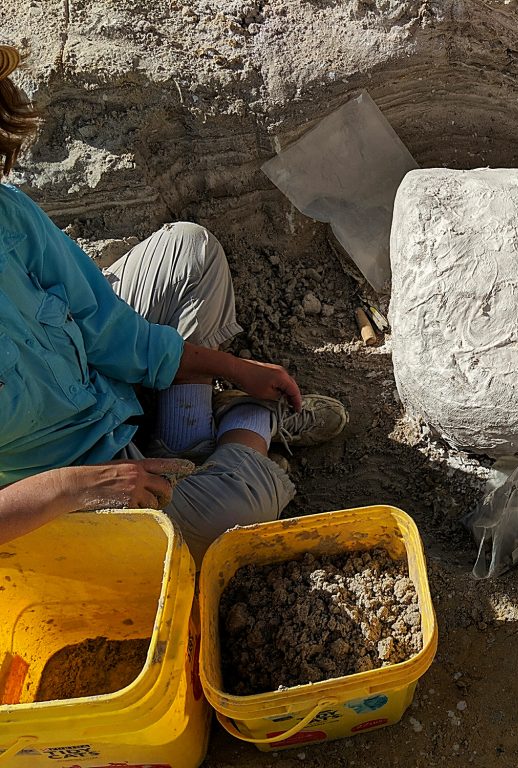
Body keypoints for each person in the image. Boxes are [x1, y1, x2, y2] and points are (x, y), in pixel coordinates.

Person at [0, 44, 347, 561]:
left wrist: (235, 366)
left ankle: (185, 437)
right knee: (226, 517)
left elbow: (108, 328)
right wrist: (80, 486)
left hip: (100, 388)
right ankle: (250, 424)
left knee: (189, 251)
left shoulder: (9, 215)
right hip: (50, 490)